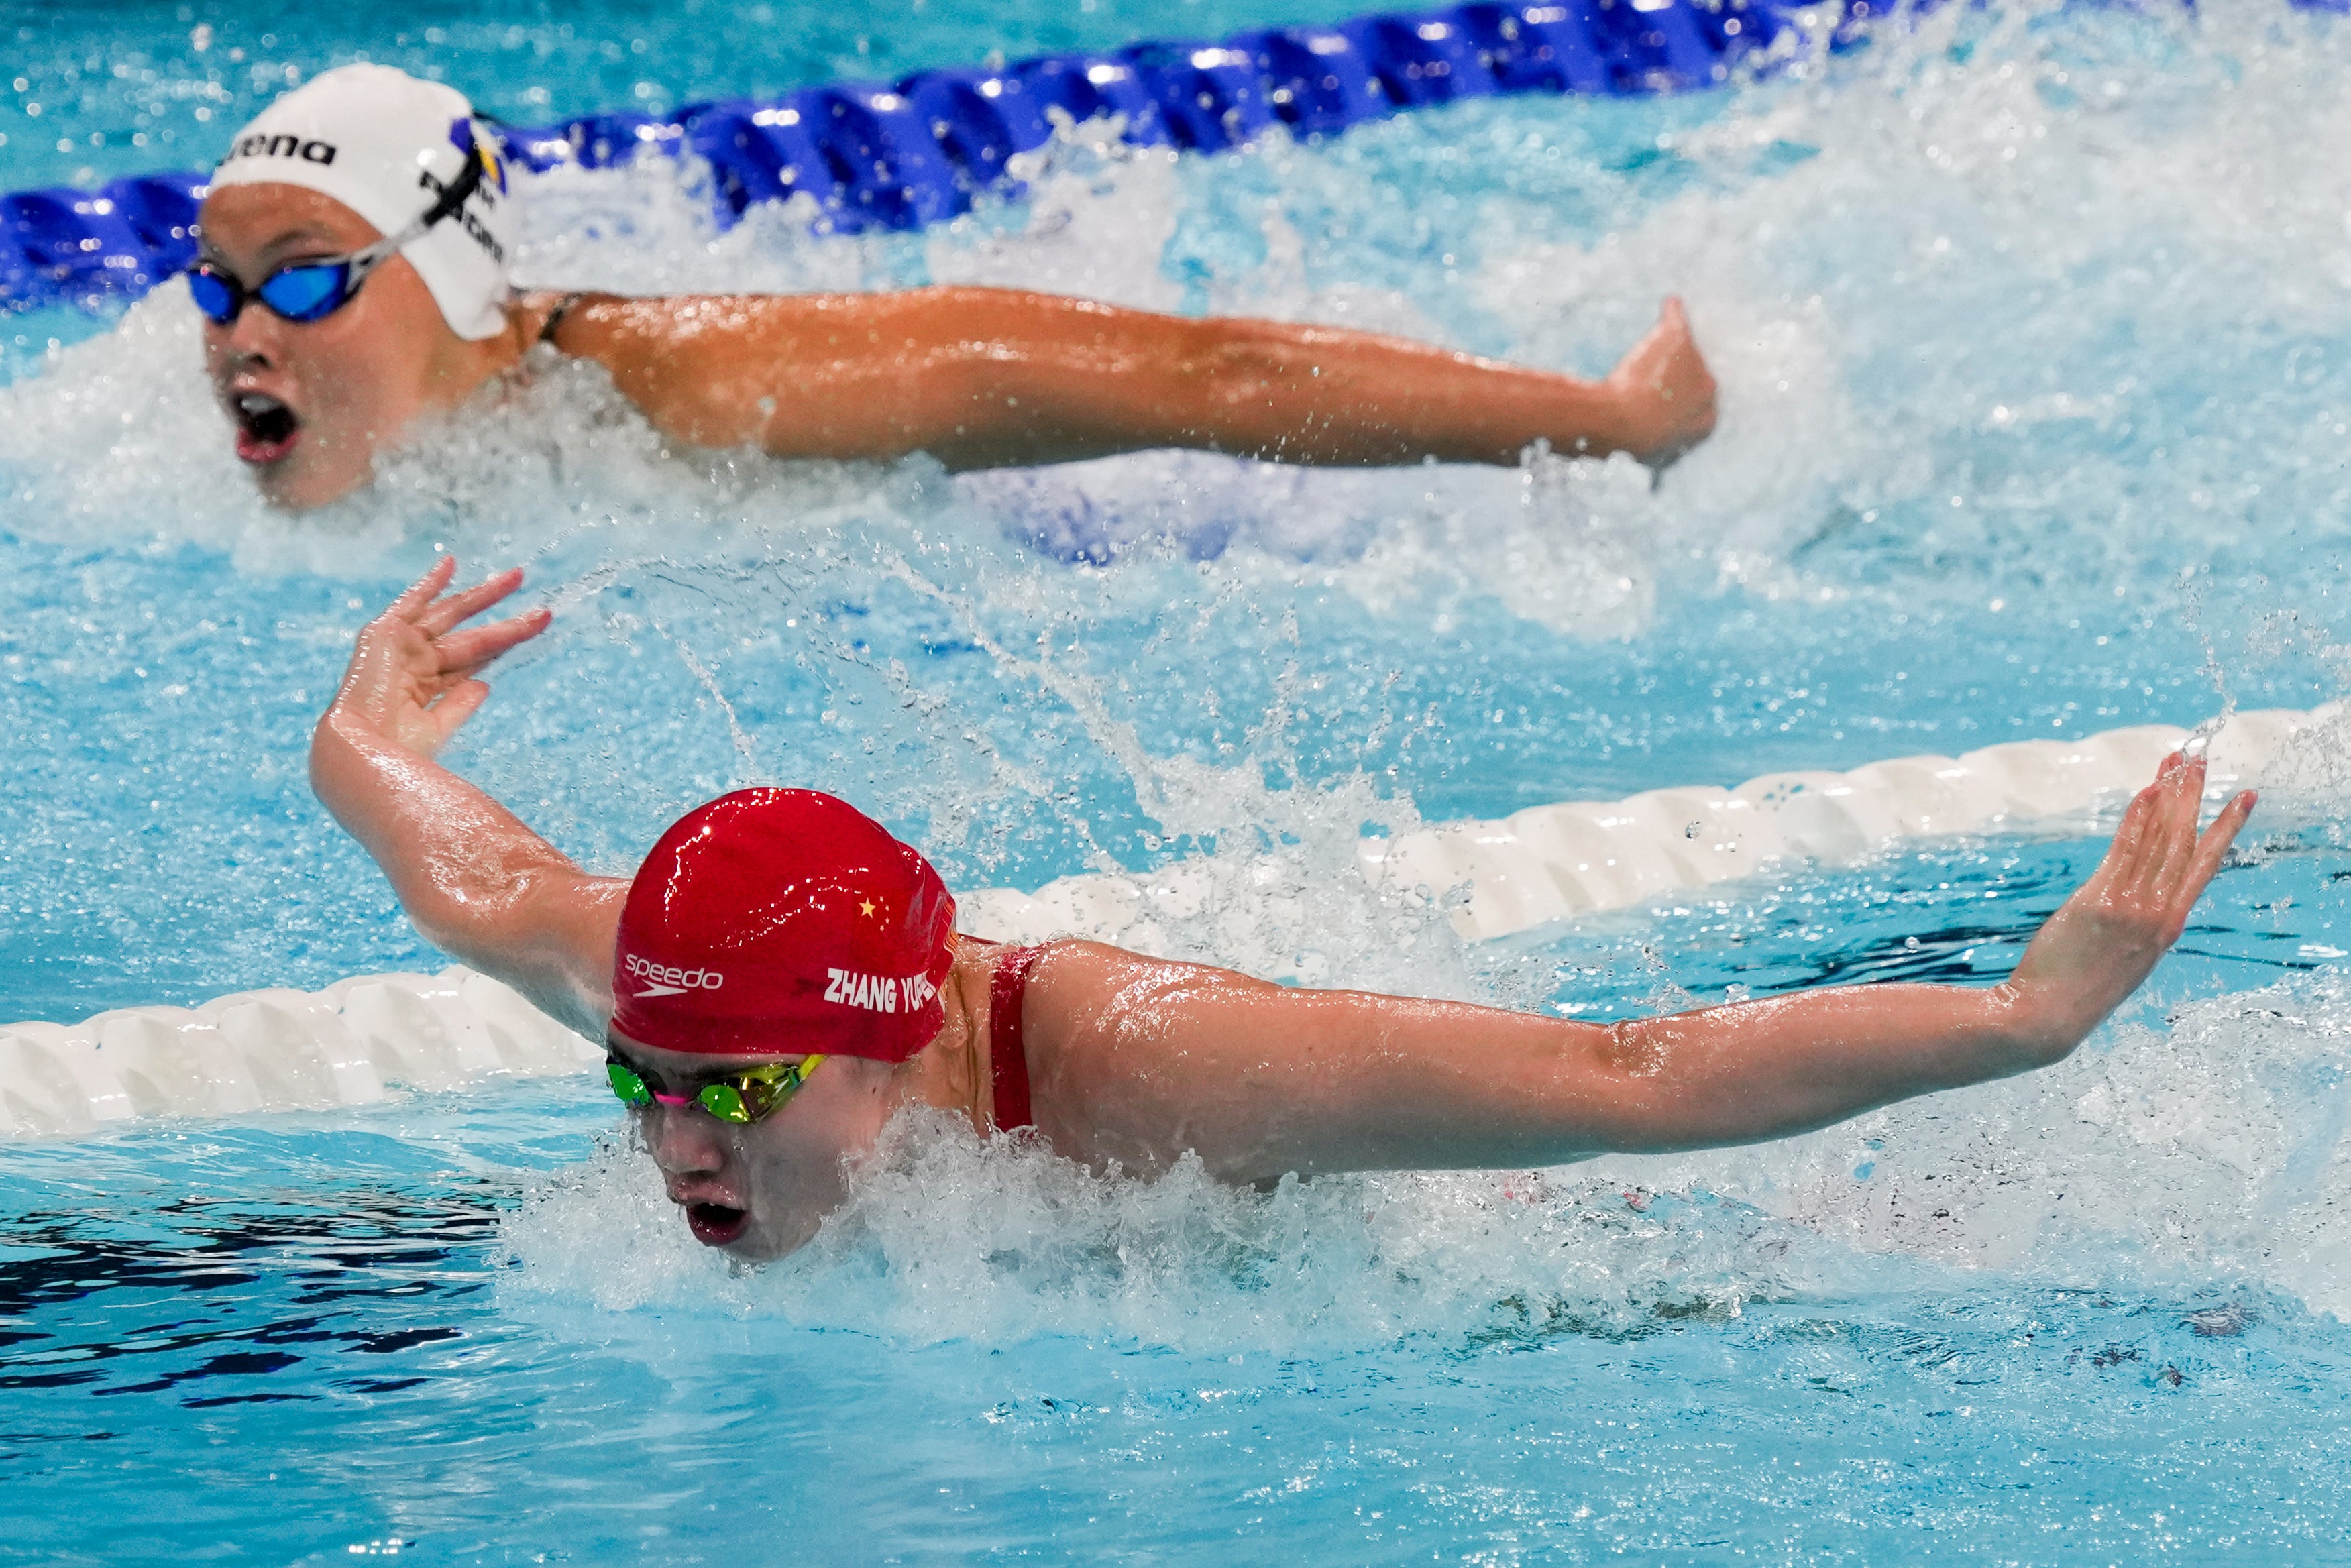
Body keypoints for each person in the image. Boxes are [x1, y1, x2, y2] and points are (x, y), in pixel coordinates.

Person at [311, 559, 2256, 1259]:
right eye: (639, 1082)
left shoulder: (1155, 1074)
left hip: (1499, 1240)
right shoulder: (683, 999)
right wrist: (358, 730)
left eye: (726, 1096)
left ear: (891, 1036)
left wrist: (2023, 1019)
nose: (667, 1135)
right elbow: (475, 875)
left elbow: (1628, 1066)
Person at [197, 65, 1718, 511]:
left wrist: (1604, 417)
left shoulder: (695, 387)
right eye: (216, 292)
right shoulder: (202, 440)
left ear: (451, 269)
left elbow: (1204, 381)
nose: (243, 336)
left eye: (309, 280)